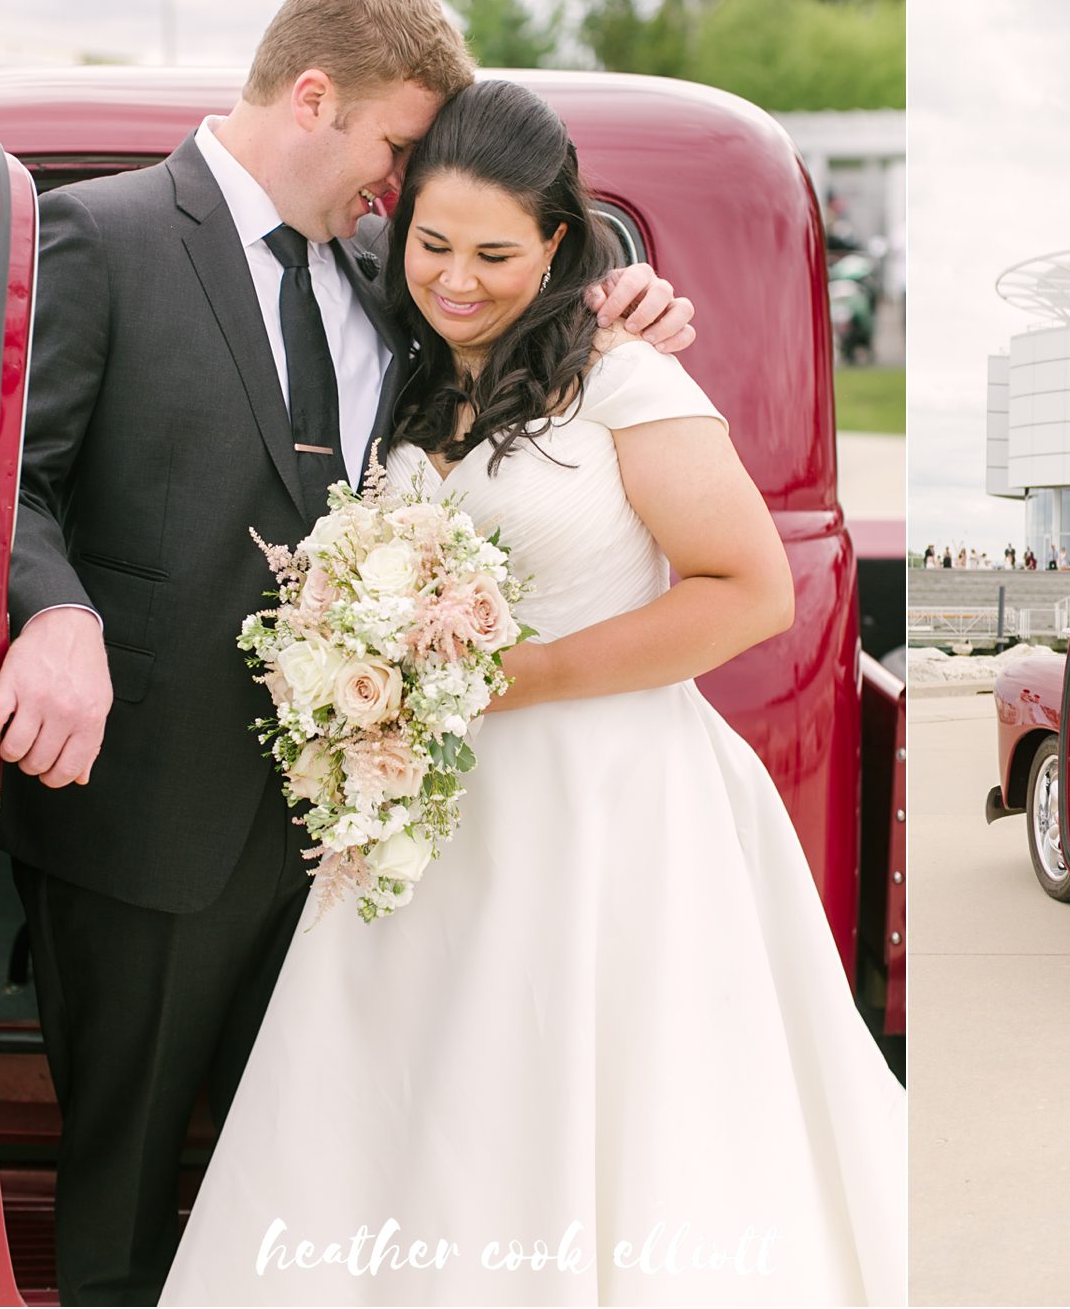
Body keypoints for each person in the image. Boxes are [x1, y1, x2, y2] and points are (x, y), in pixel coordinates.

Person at [0, 0, 696, 1307]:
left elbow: (514, 317)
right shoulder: (102, 234)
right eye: (397, 148)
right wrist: (58, 611)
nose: (405, 188)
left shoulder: (388, 269)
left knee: (326, 1185)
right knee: (123, 1204)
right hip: (153, 821)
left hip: (362, 842)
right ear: (314, 97)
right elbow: (4, 477)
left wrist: (624, 297)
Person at [160, 80, 905, 1305]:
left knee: (597, 1092)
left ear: (558, 243)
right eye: (432, 244)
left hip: (605, 806)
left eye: (496, 255)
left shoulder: (625, 377)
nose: (456, 280)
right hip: (434, 815)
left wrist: (508, 678)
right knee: (420, 1107)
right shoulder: (408, 376)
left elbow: (749, 591)